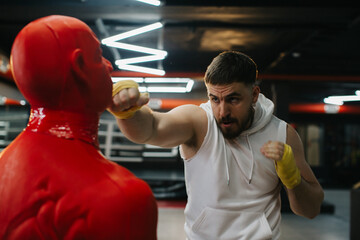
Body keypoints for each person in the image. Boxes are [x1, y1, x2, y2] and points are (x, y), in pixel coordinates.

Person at [108, 50, 324, 239]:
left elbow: (311, 209)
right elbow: (152, 128)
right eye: (215, 99)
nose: (223, 112)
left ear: (255, 95)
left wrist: (293, 178)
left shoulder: (282, 134)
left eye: (233, 99)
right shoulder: (199, 122)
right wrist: (128, 112)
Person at [0, 15, 157, 239]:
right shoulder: (124, 196)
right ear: (80, 66)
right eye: (99, 56)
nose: (109, 65)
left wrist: (127, 111)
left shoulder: (4, 167)